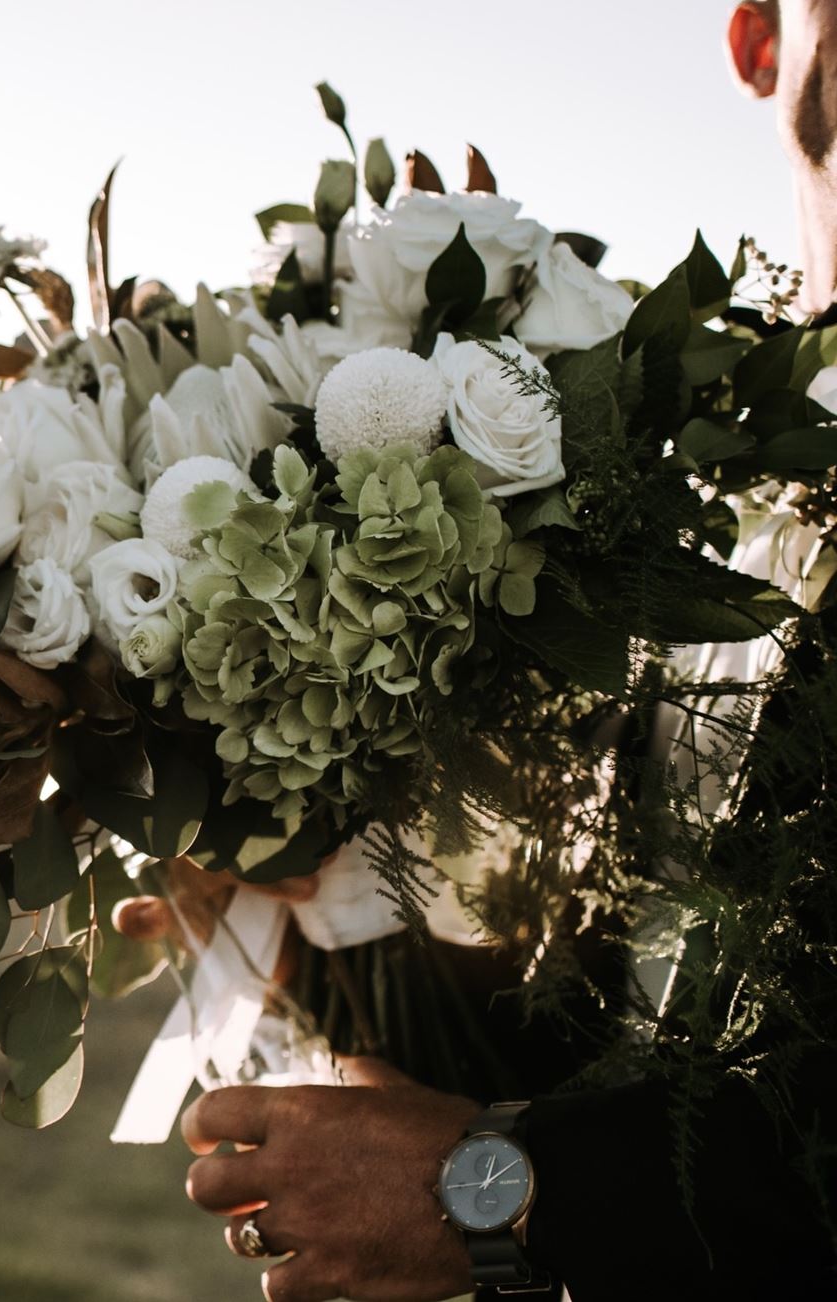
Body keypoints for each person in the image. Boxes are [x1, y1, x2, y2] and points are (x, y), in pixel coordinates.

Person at [119, 7, 837, 1297]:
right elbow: (608, 1034)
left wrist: (481, 1193)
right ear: (754, 39)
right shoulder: (685, 494)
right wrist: (312, 923)